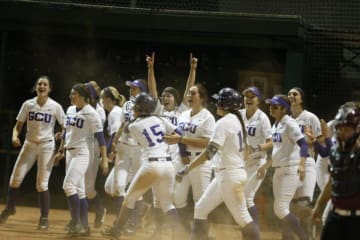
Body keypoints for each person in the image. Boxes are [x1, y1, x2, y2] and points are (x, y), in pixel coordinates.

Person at [176, 88, 261, 240]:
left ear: (225, 105)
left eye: (219, 102)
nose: (216, 104)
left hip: (229, 176)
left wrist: (188, 168)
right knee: (200, 209)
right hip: (229, 174)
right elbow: (246, 152)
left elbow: (209, 153)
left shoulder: (223, 123)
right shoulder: (237, 121)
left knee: (243, 218)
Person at [102, 93, 182, 240]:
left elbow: (126, 129)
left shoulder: (133, 125)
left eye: (136, 107)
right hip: (168, 164)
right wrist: (172, 139)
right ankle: (179, 235)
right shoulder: (160, 119)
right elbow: (179, 134)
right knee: (167, 204)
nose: (134, 109)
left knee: (129, 199)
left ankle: (117, 230)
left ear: (141, 108)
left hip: (152, 164)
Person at [0, 76, 65, 230]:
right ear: (36, 87)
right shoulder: (28, 104)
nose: (42, 86)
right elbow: (18, 125)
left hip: (47, 146)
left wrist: (61, 145)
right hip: (29, 144)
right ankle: (10, 208)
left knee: (41, 184)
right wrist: (15, 135)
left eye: (45, 84)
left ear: (49, 89)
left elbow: (65, 128)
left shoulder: (55, 106)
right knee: (15, 179)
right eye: (39, 84)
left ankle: (44, 218)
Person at [146, 51, 197, 236]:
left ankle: (181, 229)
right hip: (159, 157)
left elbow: (187, 89)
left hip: (176, 159)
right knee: (156, 198)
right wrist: (150, 69)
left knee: (174, 196)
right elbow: (152, 91)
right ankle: (159, 230)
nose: (164, 98)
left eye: (169, 95)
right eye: (164, 95)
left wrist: (192, 69)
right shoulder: (159, 110)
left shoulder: (182, 112)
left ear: (176, 99)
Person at [54, 83, 109, 236]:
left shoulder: (91, 113)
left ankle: (76, 222)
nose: (71, 96)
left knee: (68, 186)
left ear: (83, 97)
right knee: (80, 191)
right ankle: (85, 227)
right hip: (69, 153)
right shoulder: (70, 109)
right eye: (71, 93)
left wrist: (104, 159)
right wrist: (60, 150)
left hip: (83, 153)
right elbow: (66, 133)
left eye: (74, 94)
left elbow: (101, 138)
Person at [163, 83, 216, 236]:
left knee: (201, 202)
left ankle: (202, 236)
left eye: (193, 93)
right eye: (189, 94)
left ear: (202, 97)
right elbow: (180, 137)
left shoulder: (208, 117)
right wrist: (183, 151)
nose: (189, 96)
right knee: (176, 198)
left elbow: (206, 142)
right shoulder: (184, 115)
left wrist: (181, 140)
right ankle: (184, 233)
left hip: (201, 162)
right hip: (183, 160)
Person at [262, 94, 309, 240]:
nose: (271, 108)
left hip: (290, 169)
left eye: (275, 106)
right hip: (279, 170)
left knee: (280, 209)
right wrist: (266, 165)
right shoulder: (276, 124)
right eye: (271, 105)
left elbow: (304, 144)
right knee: (282, 210)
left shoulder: (290, 123)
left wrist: (302, 165)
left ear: (284, 109)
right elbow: (278, 150)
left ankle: (304, 238)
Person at [105, 78, 148, 234]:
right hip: (123, 149)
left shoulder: (148, 106)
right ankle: (122, 221)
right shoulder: (127, 105)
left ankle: (132, 222)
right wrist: (114, 144)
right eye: (131, 87)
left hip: (138, 151)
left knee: (136, 189)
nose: (131, 89)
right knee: (117, 188)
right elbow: (123, 125)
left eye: (135, 88)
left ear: (142, 90)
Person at [311, 102, 360, 240]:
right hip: (335, 217)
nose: (341, 133)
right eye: (339, 128)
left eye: (346, 129)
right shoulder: (335, 152)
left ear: (357, 129)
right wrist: (318, 206)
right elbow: (332, 181)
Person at [287, 87, 321, 238]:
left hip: (306, 162)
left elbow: (321, 142)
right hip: (289, 165)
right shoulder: (285, 120)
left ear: (302, 98)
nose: (292, 96)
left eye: (295, 94)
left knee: (304, 205)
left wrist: (313, 141)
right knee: (289, 207)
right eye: (289, 94)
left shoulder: (310, 118)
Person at [240, 86, 273, 227]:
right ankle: (247, 230)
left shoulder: (262, 118)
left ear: (258, 101)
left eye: (252, 96)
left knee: (247, 198)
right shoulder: (239, 114)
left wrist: (255, 148)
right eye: (246, 96)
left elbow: (271, 142)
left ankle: (254, 232)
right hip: (242, 163)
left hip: (257, 162)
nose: (248, 99)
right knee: (239, 198)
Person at [84, 80, 108, 228]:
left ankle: (100, 210)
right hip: (79, 147)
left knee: (88, 189)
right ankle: (78, 218)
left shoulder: (99, 111)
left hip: (92, 148)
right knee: (74, 185)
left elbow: (96, 134)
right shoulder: (78, 107)